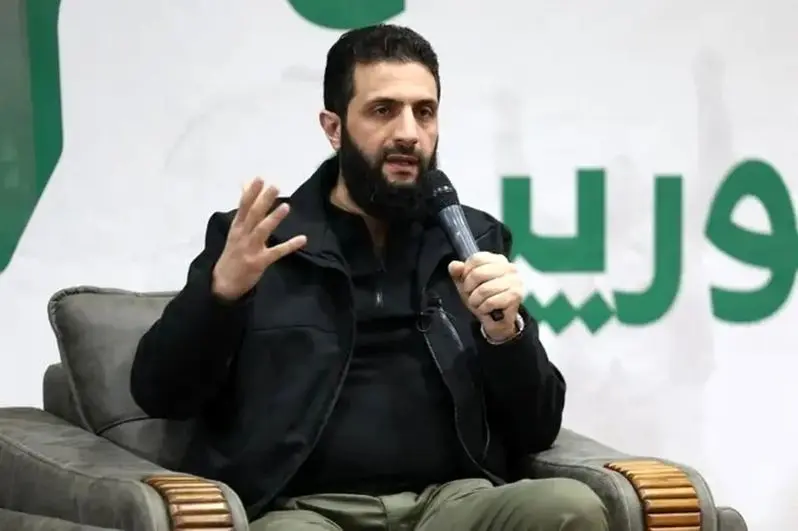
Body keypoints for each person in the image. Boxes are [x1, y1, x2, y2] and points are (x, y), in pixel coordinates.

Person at [130, 24, 608, 531]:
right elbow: (161, 394)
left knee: (568, 508)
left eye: (424, 112)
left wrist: (505, 334)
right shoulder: (259, 241)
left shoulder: (470, 240)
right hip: (306, 511)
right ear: (334, 128)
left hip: (447, 504)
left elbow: (536, 429)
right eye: (383, 110)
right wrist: (220, 297)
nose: (409, 133)